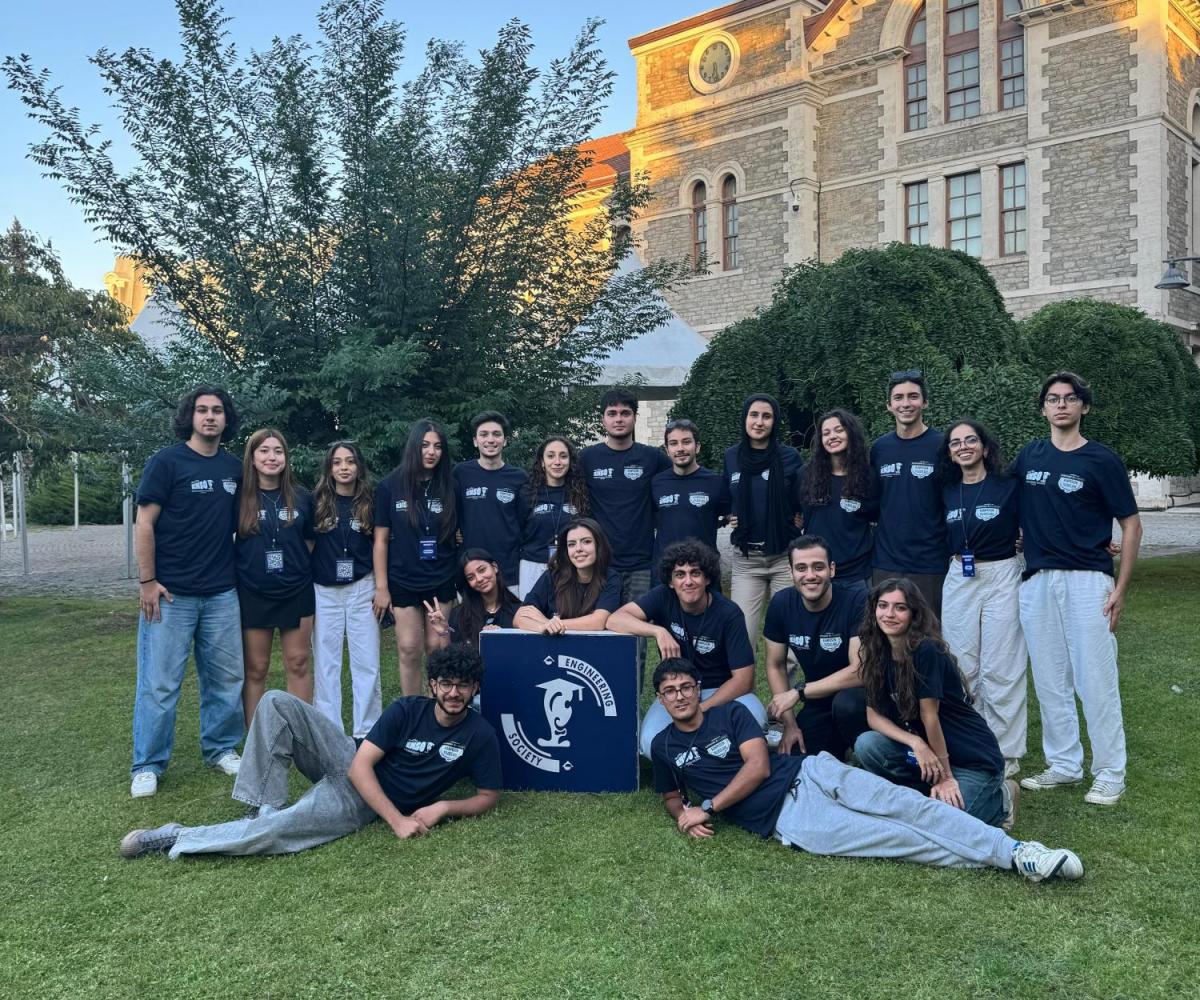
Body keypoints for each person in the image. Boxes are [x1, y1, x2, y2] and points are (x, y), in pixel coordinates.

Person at [648, 659, 1081, 882]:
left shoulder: (730, 714)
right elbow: (671, 796)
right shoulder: (663, 746)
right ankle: (1010, 860)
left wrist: (708, 806)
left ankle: (1020, 850)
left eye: (686, 687)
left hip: (812, 773)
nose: (680, 696)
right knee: (900, 840)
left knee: (907, 806)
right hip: (790, 820)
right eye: (670, 691)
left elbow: (759, 767)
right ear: (661, 701)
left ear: (698, 690)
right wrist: (683, 815)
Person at [119, 645, 502, 860]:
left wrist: (444, 807)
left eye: (463, 685)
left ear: (475, 689)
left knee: (277, 833)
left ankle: (176, 836)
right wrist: (397, 821)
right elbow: (360, 766)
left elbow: (488, 795)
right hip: (350, 762)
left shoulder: (479, 734)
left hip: (358, 803)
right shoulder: (407, 709)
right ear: (432, 685)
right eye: (446, 684)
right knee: (276, 701)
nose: (454, 693)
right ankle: (262, 806)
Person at [1014, 372, 1142, 806]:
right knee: (1050, 678)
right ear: (1043, 408)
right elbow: (1009, 504)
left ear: (1083, 407)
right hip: (1037, 580)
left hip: (1088, 580)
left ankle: (1110, 772)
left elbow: (1131, 524)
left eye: (1070, 398)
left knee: (1095, 677)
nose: (1061, 405)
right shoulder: (1029, 456)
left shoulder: (1101, 460)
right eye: (1053, 399)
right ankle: (1065, 764)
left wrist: (1120, 588)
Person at [130, 386, 245, 798]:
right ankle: (147, 764)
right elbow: (144, 523)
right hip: (170, 594)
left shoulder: (234, 468)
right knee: (160, 683)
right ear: (190, 417)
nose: (210, 416)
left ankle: (221, 748)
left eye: (217, 410)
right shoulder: (166, 462)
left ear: (226, 419)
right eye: (202, 410)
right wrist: (147, 582)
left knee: (226, 679)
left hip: (221, 593)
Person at [854, 578, 1012, 828]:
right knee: (867, 744)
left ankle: (1003, 799)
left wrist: (946, 777)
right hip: (926, 754)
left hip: (970, 759)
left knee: (945, 825)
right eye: (883, 606)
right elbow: (873, 716)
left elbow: (930, 716)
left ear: (913, 614)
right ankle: (927, 794)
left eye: (900, 607)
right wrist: (915, 742)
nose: (889, 614)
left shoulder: (926, 650)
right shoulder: (876, 649)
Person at [607, 539, 765, 757]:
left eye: (695, 573)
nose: (688, 581)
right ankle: (700, 754)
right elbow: (615, 619)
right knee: (649, 743)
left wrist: (701, 709)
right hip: (677, 691)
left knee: (756, 719)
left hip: (721, 690)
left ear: (707, 578)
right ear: (671, 581)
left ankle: (702, 755)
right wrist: (658, 631)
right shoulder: (663, 596)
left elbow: (743, 680)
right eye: (680, 574)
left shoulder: (729, 613)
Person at [939, 419, 1025, 778]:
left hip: (1002, 573)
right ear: (950, 453)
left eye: (970, 440)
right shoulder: (947, 490)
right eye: (956, 443)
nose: (963, 447)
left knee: (1001, 667)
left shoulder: (1009, 486)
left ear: (985, 447)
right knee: (962, 666)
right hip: (960, 575)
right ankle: (973, 746)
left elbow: (1040, 520)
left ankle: (1005, 752)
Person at [235, 428, 316, 727]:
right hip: (254, 592)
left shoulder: (302, 497)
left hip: (296, 591)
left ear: (286, 457)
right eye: (264, 451)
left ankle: (301, 733)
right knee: (256, 667)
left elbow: (309, 541)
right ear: (252, 457)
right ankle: (258, 737)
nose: (272, 457)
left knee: (298, 662)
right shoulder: (239, 497)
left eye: (278, 451)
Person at [373, 419, 459, 697]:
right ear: (414, 447)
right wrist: (382, 588)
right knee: (409, 647)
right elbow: (380, 541)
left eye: (437, 446)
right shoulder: (389, 486)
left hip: (441, 577)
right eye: (425, 445)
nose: (431, 452)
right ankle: (411, 708)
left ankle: (438, 707)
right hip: (403, 578)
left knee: (437, 647)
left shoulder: (450, 485)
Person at [763, 536, 866, 760]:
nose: (810, 575)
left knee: (847, 705)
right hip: (819, 702)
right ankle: (839, 748)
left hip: (864, 700)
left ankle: (865, 748)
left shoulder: (857, 601)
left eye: (818, 567)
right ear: (791, 572)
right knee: (796, 757)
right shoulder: (781, 604)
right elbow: (775, 665)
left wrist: (799, 692)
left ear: (832, 569)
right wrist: (789, 723)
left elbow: (860, 671)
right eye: (801, 568)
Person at [311, 440, 383, 742]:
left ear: (359, 466)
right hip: (324, 590)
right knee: (326, 663)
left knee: (366, 662)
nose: (344, 467)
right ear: (329, 468)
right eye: (337, 462)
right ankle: (330, 732)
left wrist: (381, 586)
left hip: (362, 587)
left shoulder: (371, 502)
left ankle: (367, 731)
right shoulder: (315, 502)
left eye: (350, 461)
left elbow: (381, 545)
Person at [723, 393, 803, 651]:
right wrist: (729, 515)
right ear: (744, 418)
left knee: (788, 642)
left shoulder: (790, 457)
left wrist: (799, 518)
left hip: (784, 557)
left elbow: (802, 498)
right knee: (741, 637)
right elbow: (725, 497)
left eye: (766, 416)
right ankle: (744, 681)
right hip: (747, 559)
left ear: (775, 421)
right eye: (754, 415)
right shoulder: (731, 456)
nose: (759, 422)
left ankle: (786, 680)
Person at [580, 389, 671, 614]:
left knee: (635, 628)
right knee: (597, 627)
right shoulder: (587, 458)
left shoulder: (653, 458)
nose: (619, 419)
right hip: (600, 564)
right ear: (603, 419)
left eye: (625, 413)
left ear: (635, 417)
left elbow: (681, 481)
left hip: (641, 564)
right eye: (612, 413)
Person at [870, 371, 948, 616]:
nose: (906, 403)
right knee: (886, 630)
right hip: (886, 562)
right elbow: (872, 501)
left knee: (928, 632)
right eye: (898, 398)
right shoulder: (879, 448)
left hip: (930, 562)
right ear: (889, 405)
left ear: (925, 402)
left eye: (913, 396)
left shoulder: (942, 445)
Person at [796, 408, 876, 603]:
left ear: (851, 433)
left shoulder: (868, 477)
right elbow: (793, 513)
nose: (832, 436)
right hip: (816, 573)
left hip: (857, 574)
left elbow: (875, 516)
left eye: (839, 430)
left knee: (860, 622)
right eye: (826, 433)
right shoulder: (805, 475)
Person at [453, 412, 527, 594]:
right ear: (475, 441)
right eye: (484, 434)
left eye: (496, 434)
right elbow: (450, 513)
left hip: (509, 570)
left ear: (505, 440)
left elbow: (524, 522)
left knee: (512, 614)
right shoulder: (461, 473)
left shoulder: (519, 477)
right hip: (472, 572)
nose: (490, 440)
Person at [514, 517, 622, 633]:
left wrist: (549, 622)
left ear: (599, 545)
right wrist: (543, 626)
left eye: (586, 541)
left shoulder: (610, 578)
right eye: (571, 544)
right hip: (554, 643)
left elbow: (598, 622)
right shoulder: (552, 576)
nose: (578, 549)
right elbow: (519, 618)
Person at [518, 436, 588, 599]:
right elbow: (517, 529)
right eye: (550, 456)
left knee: (568, 612)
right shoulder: (528, 493)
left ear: (570, 461)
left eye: (563, 456)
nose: (557, 462)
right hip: (533, 565)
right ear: (542, 462)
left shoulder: (580, 493)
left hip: (570, 565)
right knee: (530, 612)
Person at [651, 419, 728, 568]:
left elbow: (730, 515)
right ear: (667, 450)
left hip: (704, 568)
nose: (680, 448)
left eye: (686, 442)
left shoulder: (715, 482)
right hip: (666, 569)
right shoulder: (656, 483)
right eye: (673, 443)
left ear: (697, 447)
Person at [427, 548, 520, 649]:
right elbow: (452, 656)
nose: (479, 579)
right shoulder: (459, 615)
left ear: (494, 567)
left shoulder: (519, 611)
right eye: (471, 577)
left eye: (482, 570)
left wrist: (501, 636)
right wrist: (444, 633)